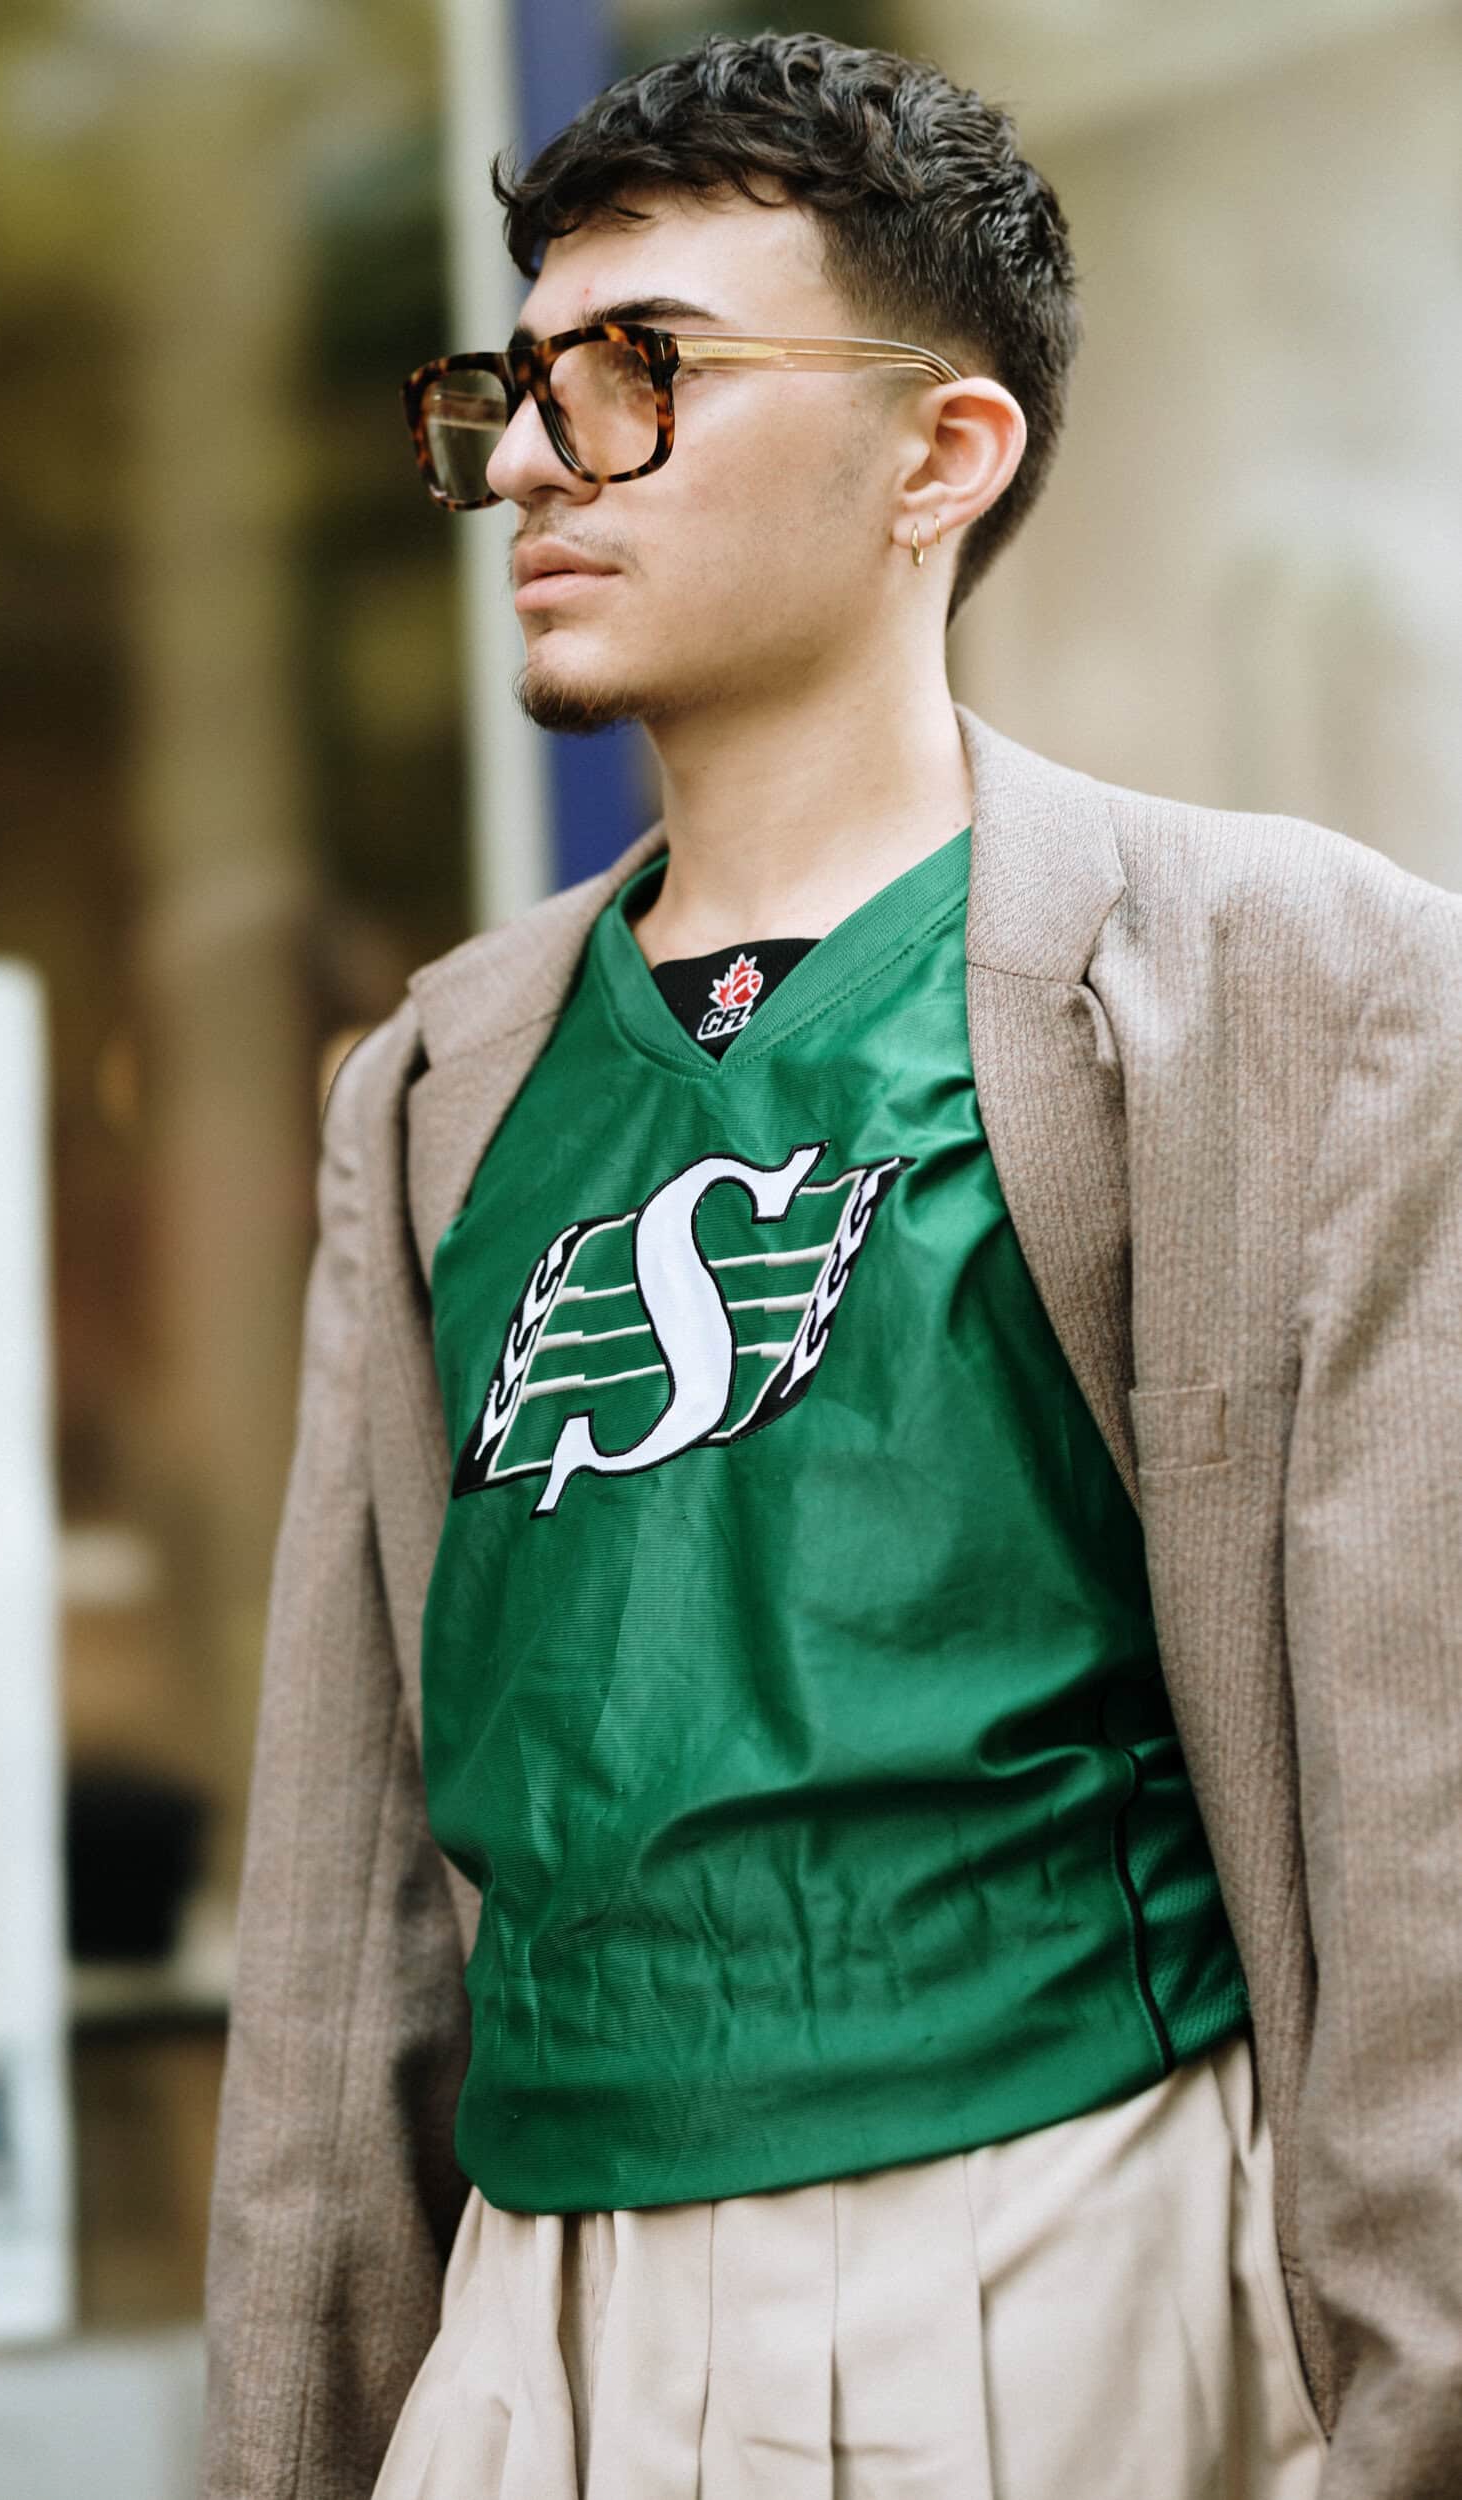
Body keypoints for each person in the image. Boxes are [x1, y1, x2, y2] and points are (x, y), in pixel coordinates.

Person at [197, 33, 1462, 2500]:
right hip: (530, 2319)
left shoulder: (1297, 983)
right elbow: (347, 1892)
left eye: (644, 367)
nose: (536, 460)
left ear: (938, 456)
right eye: (517, 385)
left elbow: (1423, 1821)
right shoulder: (439, 1073)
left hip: (1063, 2246)